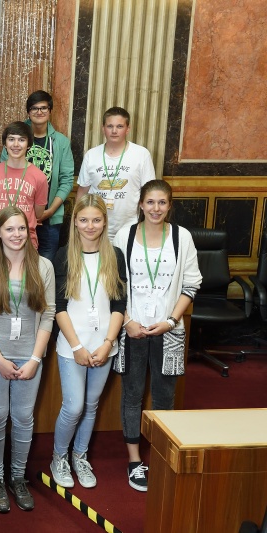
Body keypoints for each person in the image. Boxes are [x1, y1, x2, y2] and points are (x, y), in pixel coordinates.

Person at [112, 180, 201, 492]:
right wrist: (127, 321)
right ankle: (134, 460)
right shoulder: (124, 235)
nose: (155, 208)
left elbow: (191, 284)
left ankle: (162, 455)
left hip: (169, 330)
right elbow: (115, 284)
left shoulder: (182, 237)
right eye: (150, 202)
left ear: (170, 205)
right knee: (132, 395)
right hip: (132, 329)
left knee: (164, 396)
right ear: (140, 204)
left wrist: (170, 319)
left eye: (162, 203)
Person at [0, 205, 55, 513]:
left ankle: (17, 477)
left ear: (29, 230)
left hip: (30, 356)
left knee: (23, 418)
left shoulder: (43, 266)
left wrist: (35, 359)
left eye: (21, 228)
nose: (16, 234)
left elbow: (48, 316)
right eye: (9, 229)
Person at [49, 194, 126, 490]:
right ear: (75, 223)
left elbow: (120, 305)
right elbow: (59, 308)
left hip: (104, 344)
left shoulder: (114, 255)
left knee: (91, 405)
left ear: (104, 222)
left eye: (96, 220)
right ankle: (59, 457)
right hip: (73, 345)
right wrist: (78, 347)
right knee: (74, 406)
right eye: (84, 220)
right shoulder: (64, 255)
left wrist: (108, 343)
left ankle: (79, 456)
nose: (90, 226)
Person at [1, 91, 74, 263]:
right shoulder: (15, 138)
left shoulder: (61, 142)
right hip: (16, 218)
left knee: (44, 268)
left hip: (48, 219)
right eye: (34, 108)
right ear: (28, 111)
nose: (39, 112)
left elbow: (67, 180)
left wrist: (49, 211)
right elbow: (4, 175)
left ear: (50, 111)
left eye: (43, 108)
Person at [77, 106, 156, 242]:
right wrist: (77, 221)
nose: (114, 131)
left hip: (131, 226)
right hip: (95, 227)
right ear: (103, 129)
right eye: (110, 126)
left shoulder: (141, 154)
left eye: (119, 126)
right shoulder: (91, 155)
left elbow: (150, 193)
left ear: (127, 129)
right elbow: (82, 192)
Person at [0, 121, 47, 258]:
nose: (15, 145)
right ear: (5, 144)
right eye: (11, 139)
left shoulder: (39, 177)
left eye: (21, 140)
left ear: (28, 144)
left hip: (26, 246)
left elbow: (38, 214)